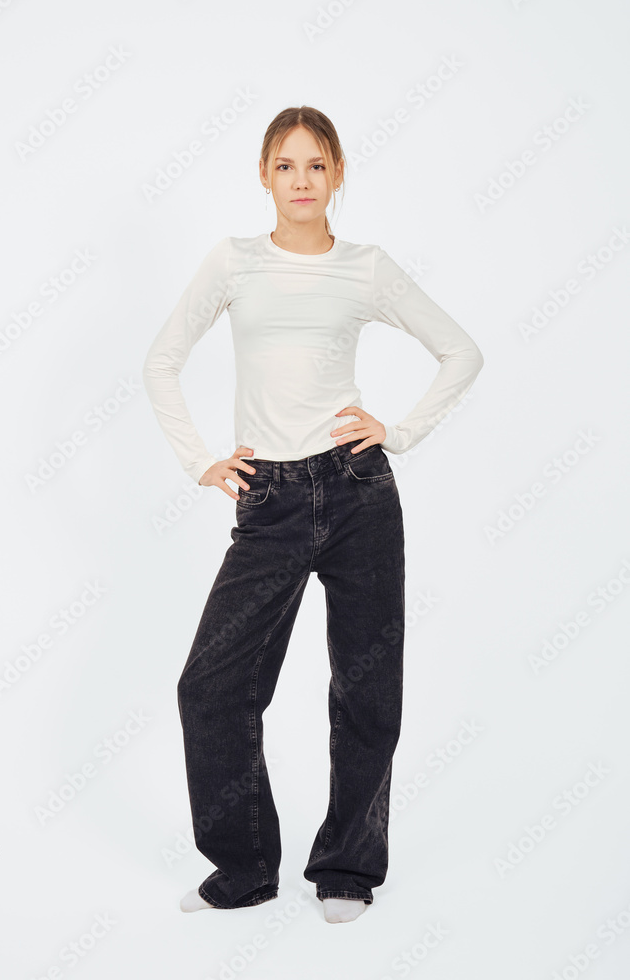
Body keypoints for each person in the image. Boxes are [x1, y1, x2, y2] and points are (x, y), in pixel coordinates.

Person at [142, 106, 484, 925]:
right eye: (286, 165)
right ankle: (244, 869)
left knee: (365, 690)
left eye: (316, 165)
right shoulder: (233, 262)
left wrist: (397, 431)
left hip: (359, 490)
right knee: (210, 688)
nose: (301, 180)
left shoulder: (365, 268)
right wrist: (201, 461)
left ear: (337, 174)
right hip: (268, 499)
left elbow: (461, 351)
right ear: (264, 175)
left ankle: (346, 869)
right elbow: (161, 362)